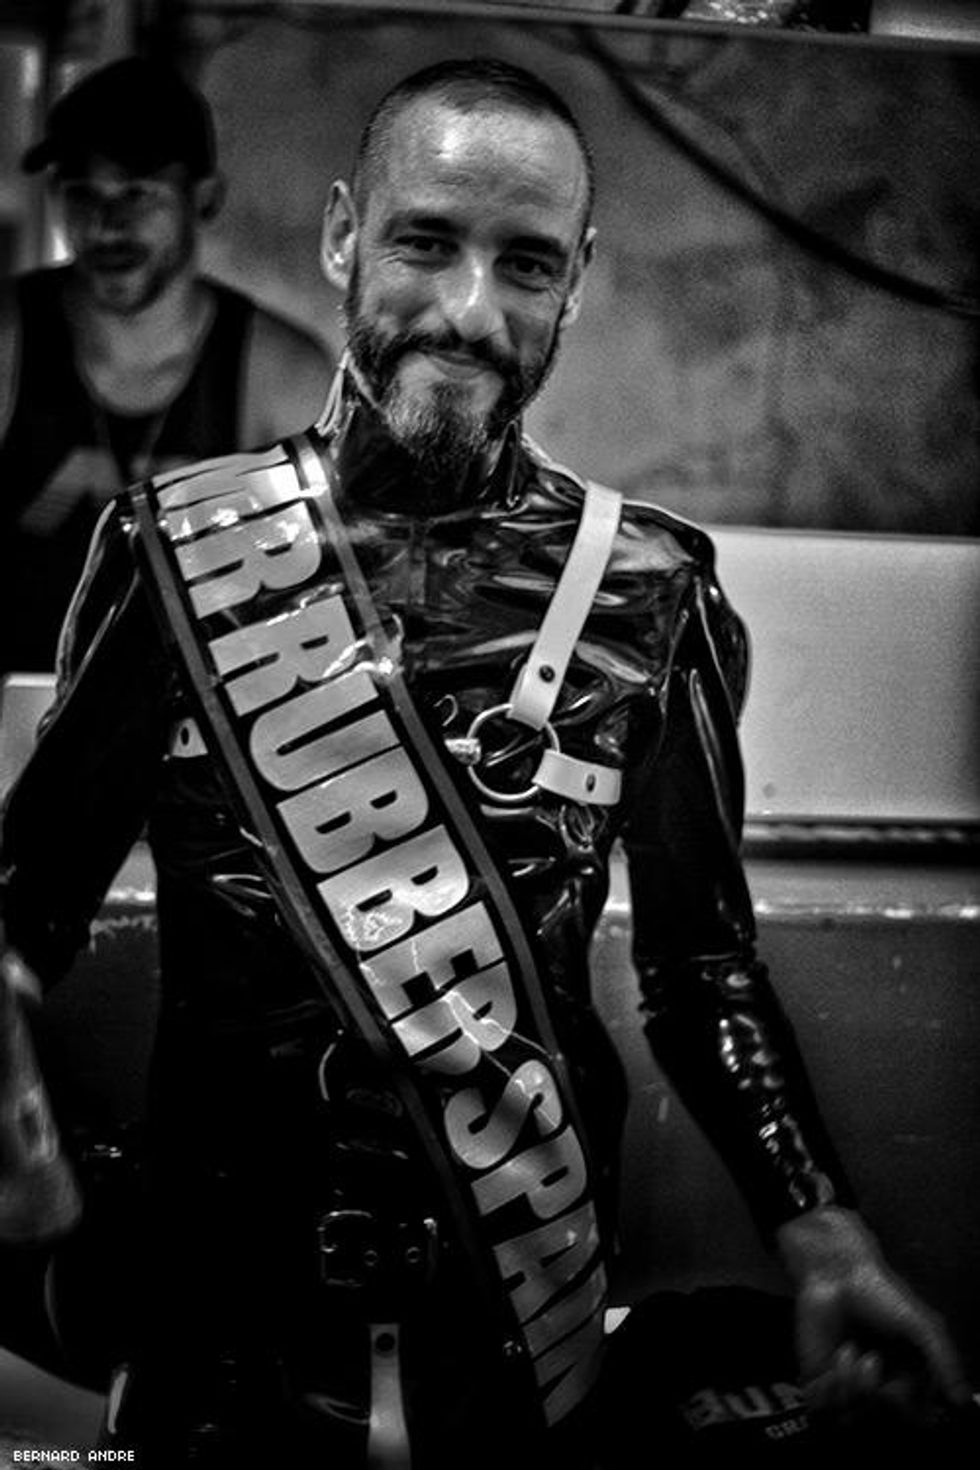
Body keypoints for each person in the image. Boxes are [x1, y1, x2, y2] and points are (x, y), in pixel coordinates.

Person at [0, 56, 969, 1469]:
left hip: (522, 1333)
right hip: (220, 1345)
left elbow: (702, 971)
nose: (468, 312)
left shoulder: (653, 592)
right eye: (424, 242)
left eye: (525, 263)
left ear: (576, 282)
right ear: (344, 236)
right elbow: (20, 916)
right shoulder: (172, 550)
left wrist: (825, 1241)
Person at [0, 55, 332, 678]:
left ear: (203, 198)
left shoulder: (280, 378)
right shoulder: (10, 339)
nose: (107, 225)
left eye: (138, 194)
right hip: (18, 715)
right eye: (82, 193)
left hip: (196, 719)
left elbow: (319, 609)